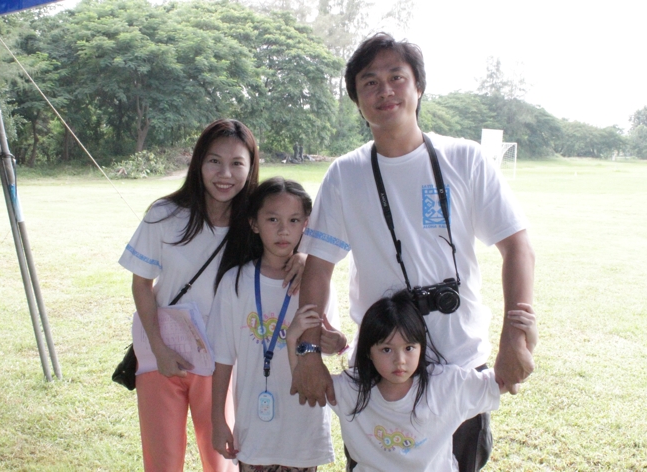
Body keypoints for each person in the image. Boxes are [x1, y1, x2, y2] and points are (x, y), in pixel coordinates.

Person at [292, 32, 536, 471]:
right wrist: (307, 352)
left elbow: (517, 246)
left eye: (396, 77)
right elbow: (318, 267)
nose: (384, 90)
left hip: (460, 364)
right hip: (378, 374)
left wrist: (516, 336)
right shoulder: (345, 175)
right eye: (369, 82)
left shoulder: (465, 159)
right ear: (358, 101)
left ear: (418, 87)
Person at [119, 119, 304, 471]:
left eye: (237, 163)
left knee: (222, 461)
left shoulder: (255, 224)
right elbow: (141, 284)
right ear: (199, 162)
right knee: (161, 462)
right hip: (163, 355)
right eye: (215, 161)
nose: (225, 174)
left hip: (221, 362)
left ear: (251, 167)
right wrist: (159, 349)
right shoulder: (164, 215)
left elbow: (291, 236)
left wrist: (304, 256)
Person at [287, 291, 538, 471]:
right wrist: (292, 339)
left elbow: (507, 382)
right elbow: (305, 384)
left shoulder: (447, 385)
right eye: (386, 349)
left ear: (421, 347)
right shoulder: (352, 390)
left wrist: (528, 343)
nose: (400, 361)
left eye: (409, 348)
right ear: (368, 352)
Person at [208, 177, 338, 471]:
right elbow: (223, 358)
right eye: (272, 219)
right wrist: (218, 419)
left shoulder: (315, 283)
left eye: (294, 220)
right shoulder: (235, 282)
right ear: (254, 224)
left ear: (306, 224)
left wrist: (335, 342)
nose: (283, 230)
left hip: (304, 429)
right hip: (255, 432)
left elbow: (332, 342)